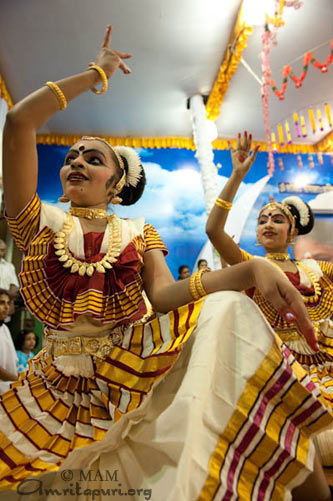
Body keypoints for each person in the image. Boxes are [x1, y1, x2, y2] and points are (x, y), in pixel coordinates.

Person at [0, 28, 331, 501]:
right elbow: (17, 122)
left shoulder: (136, 231)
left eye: (93, 159)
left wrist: (249, 271)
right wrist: (96, 75)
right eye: (70, 156)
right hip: (52, 389)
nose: (76, 161)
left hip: (124, 372)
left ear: (116, 184)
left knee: (229, 314)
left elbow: (163, 297)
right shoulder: (40, 224)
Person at [206, 131, 333, 477]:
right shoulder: (250, 266)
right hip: (274, 368)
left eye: (277, 219)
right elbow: (214, 231)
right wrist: (236, 176)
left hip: (324, 365)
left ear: (293, 233)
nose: (268, 224)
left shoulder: (316, 269)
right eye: (262, 220)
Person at [0, 289, 18, 394]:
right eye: (2, 303)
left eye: (8, 303)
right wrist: (17, 379)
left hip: (7, 388)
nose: (7, 307)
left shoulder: (4, 328)